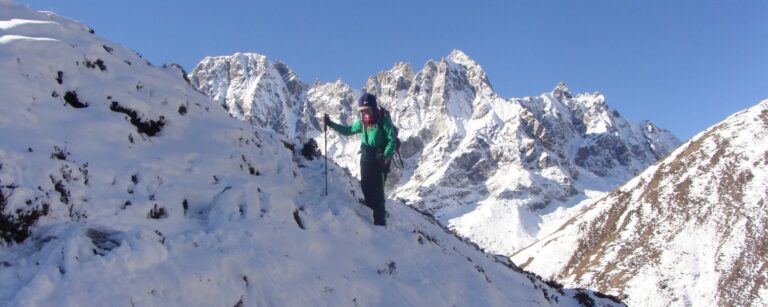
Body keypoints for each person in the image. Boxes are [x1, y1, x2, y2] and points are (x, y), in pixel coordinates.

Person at [324, 93, 396, 227]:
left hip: (380, 161)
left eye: (367, 110)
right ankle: (372, 210)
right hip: (366, 160)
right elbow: (348, 130)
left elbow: (391, 141)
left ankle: (380, 222)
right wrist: (330, 124)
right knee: (365, 187)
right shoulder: (362, 123)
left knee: (378, 192)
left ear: (373, 108)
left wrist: (386, 157)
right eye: (362, 111)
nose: (365, 113)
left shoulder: (384, 121)